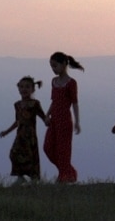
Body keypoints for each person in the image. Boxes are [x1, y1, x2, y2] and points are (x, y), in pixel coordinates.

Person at [43, 51, 82, 183]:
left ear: (64, 64)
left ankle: (65, 175)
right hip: (54, 120)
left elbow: (75, 103)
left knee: (63, 150)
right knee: (48, 148)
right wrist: (47, 115)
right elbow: (54, 101)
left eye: (55, 66)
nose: (53, 69)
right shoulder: (54, 82)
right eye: (51, 66)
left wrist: (77, 122)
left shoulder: (71, 83)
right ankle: (68, 171)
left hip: (65, 120)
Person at [0, 76, 47, 184]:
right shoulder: (17, 105)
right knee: (14, 153)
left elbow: (43, 116)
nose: (24, 89)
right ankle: (20, 176)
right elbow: (17, 121)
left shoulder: (35, 104)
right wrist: (7, 131)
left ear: (32, 89)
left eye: (27, 87)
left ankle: (33, 178)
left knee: (30, 156)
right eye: (21, 87)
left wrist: (48, 121)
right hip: (20, 134)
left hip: (30, 135)